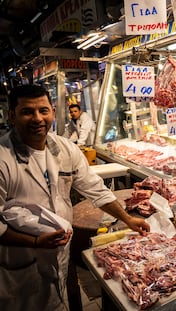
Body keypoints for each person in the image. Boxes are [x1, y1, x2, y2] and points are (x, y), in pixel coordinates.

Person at [0, 84, 150, 311]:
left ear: (52, 110)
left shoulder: (65, 149)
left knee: (59, 301)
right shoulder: (3, 158)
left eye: (43, 110)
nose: (37, 118)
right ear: (11, 116)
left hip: (59, 253)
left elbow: (95, 189)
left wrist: (128, 220)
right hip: (20, 261)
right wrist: (34, 242)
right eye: (27, 112)